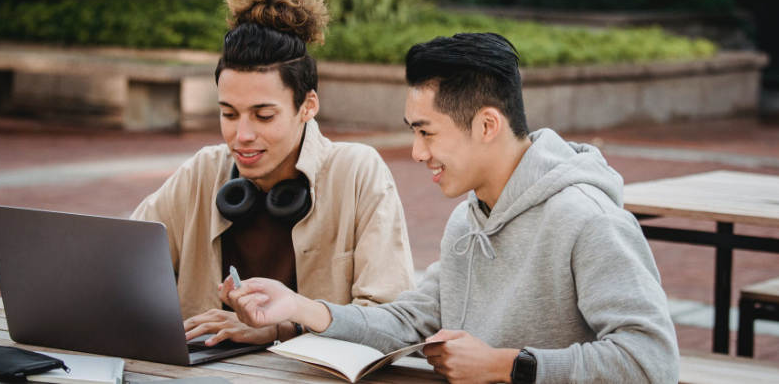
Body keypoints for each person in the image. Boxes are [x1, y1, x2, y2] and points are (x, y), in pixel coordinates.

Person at [219, 32, 680, 383]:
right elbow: (408, 321)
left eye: (427, 132)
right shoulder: (468, 219)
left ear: (486, 125)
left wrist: (506, 365)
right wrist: (300, 308)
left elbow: (651, 360)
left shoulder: (588, 220)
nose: (417, 153)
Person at [131, 0, 415, 347]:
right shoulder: (203, 171)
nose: (242, 136)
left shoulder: (357, 172)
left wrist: (282, 328)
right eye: (229, 114)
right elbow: (119, 265)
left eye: (264, 116)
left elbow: (393, 326)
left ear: (308, 105)